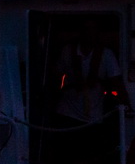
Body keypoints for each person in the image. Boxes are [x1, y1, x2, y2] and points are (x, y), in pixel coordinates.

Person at [53, 19, 126, 164]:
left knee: (90, 153)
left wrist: (126, 104)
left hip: (94, 115)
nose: (89, 34)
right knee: (68, 153)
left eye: (92, 30)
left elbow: (117, 82)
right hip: (67, 112)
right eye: (86, 29)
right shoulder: (67, 51)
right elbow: (55, 76)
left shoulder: (106, 55)